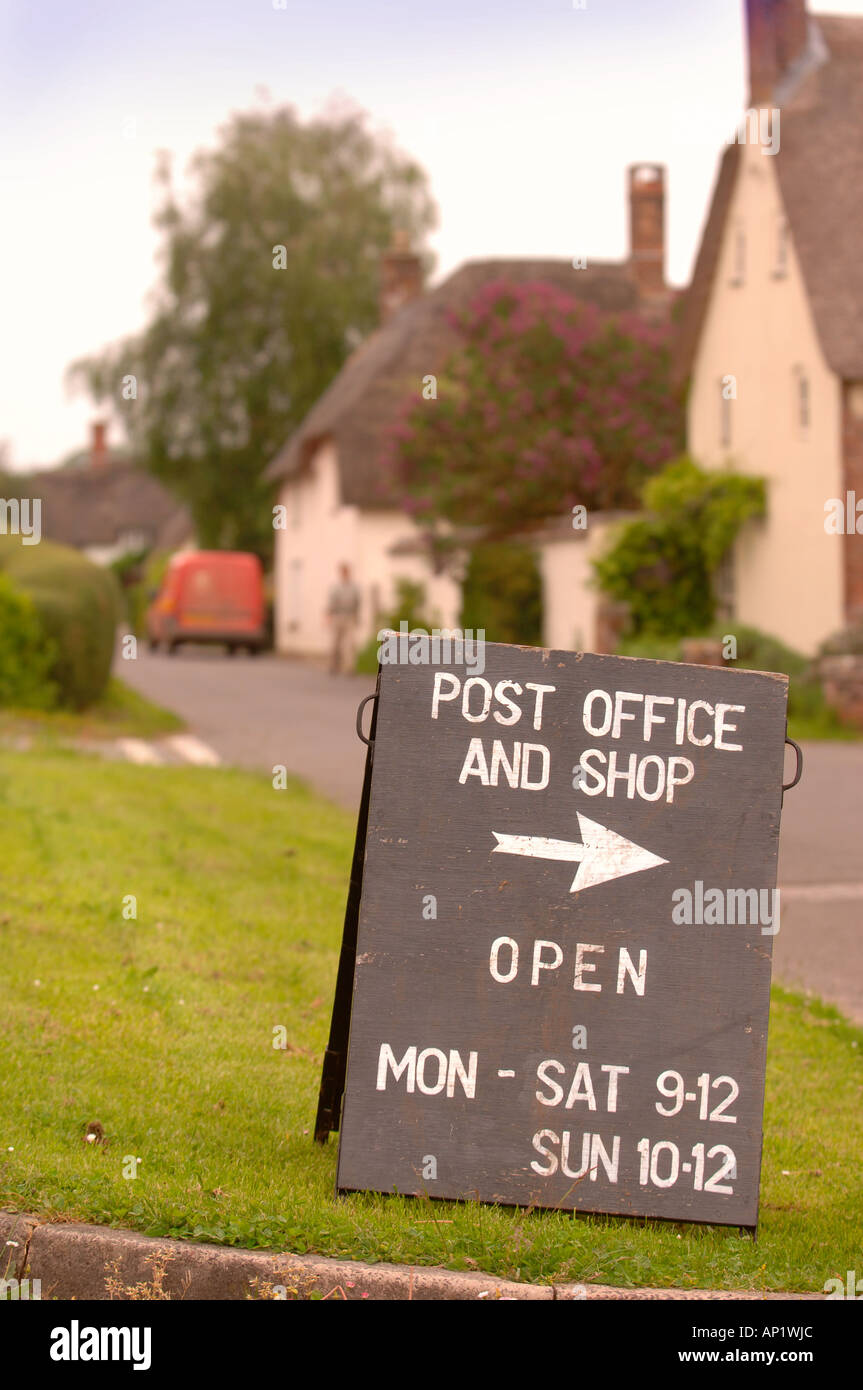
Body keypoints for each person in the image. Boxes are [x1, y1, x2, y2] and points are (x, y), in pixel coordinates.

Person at [326, 563, 362, 675]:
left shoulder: (354, 588)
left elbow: (357, 602)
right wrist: (329, 616)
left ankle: (350, 667)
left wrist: (357, 616)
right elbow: (331, 603)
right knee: (336, 643)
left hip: (349, 616)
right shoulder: (336, 587)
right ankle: (334, 665)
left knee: (350, 643)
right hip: (338, 616)